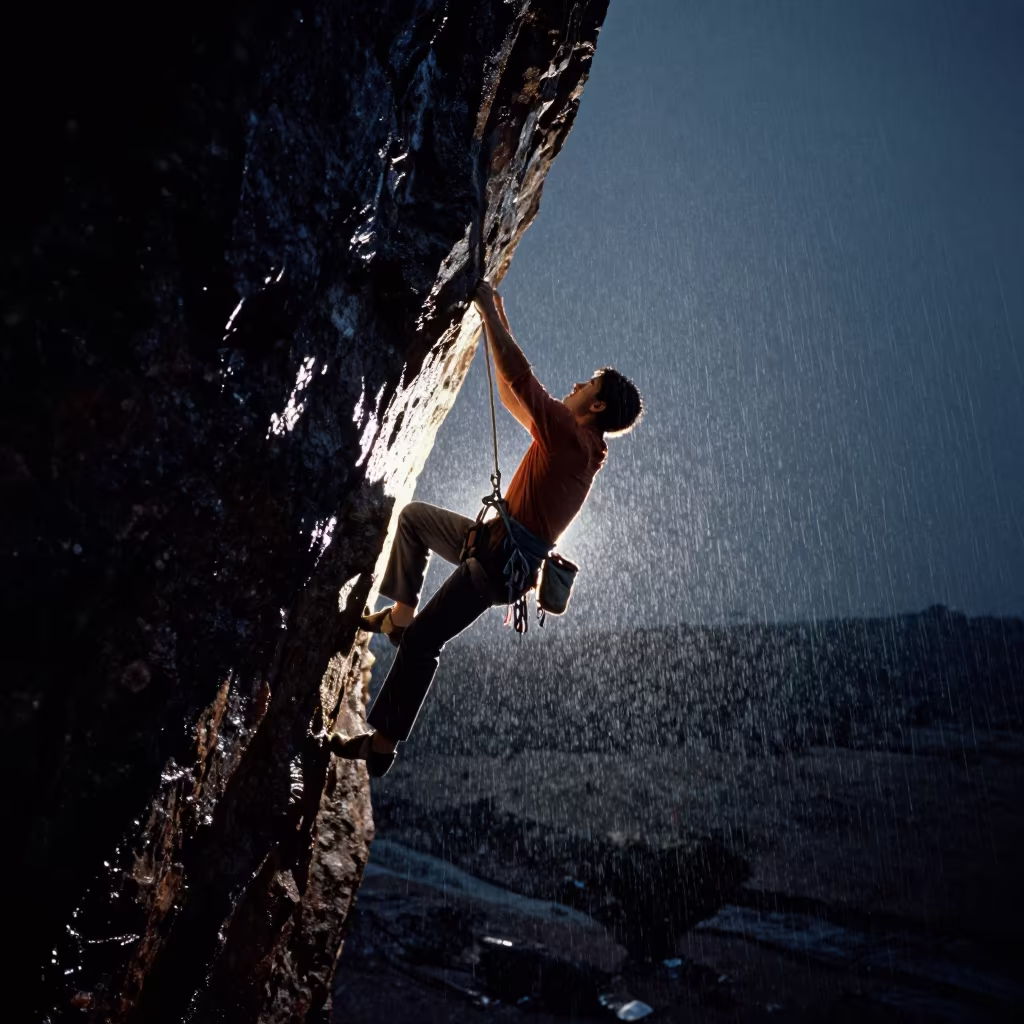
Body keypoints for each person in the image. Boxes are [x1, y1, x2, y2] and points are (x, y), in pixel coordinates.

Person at [331, 280, 644, 776]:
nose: (576, 386)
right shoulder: (576, 445)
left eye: (587, 385)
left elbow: (522, 381)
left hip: (497, 567)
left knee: (424, 645)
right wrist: (496, 313)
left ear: (597, 406)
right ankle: (401, 615)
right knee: (413, 522)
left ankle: (382, 747)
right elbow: (511, 392)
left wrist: (486, 308)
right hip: (492, 545)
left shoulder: (571, 439)